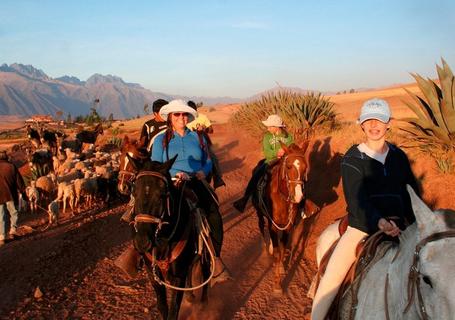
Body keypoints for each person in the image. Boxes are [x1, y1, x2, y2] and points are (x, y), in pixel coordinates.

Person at [310, 98, 419, 320]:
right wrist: (380, 221)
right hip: (363, 227)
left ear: (389, 123)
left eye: (379, 120)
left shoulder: (399, 156)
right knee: (329, 283)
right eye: (368, 121)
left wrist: (417, 223)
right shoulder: (352, 158)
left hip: (402, 226)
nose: (374, 125)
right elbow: (356, 200)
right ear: (361, 125)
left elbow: (411, 193)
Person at [151, 99, 231, 284]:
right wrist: (173, 173)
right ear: (169, 118)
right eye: (176, 114)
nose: (181, 117)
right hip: (171, 183)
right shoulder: (161, 140)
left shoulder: (198, 137)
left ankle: (215, 261)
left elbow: (208, 159)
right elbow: (156, 165)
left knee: (215, 217)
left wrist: (204, 170)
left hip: (195, 181)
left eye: (183, 114)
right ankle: (139, 254)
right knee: (146, 212)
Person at [233, 114, 294, 213]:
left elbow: (293, 150)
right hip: (271, 161)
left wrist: (287, 153)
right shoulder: (267, 137)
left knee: (298, 177)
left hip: (286, 162)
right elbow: (267, 152)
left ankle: (304, 204)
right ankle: (245, 199)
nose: (268, 128)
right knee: (256, 174)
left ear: (276, 127)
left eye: (270, 126)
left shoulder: (289, 137)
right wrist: (277, 153)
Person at [186, 100, 226, 189]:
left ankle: (217, 178)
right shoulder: (185, 119)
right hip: (190, 144)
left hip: (204, 143)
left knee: (213, 158)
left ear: (195, 109)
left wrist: (204, 129)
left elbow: (211, 130)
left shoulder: (202, 117)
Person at [0, 149, 27, 246]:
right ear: (6, 158)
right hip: (10, 195)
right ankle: (12, 231)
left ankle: (2, 237)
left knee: (1, 216)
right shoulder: (11, 167)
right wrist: (24, 194)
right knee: (14, 213)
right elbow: (19, 182)